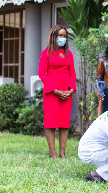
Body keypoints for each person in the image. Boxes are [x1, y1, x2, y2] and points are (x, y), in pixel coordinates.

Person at [38, 25, 76, 159]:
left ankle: (62, 153)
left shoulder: (69, 54)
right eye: (60, 35)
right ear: (53, 36)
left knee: (64, 122)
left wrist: (71, 89)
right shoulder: (46, 53)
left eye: (65, 36)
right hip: (51, 91)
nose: (63, 38)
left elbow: (72, 73)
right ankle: (52, 153)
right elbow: (42, 74)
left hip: (66, 91)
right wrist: (55, 90)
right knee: (51, 121)